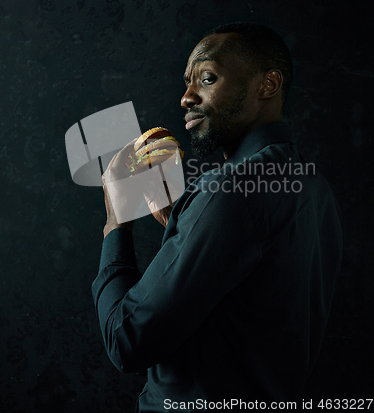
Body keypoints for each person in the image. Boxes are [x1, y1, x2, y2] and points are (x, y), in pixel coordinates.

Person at [92, 22, 343, 411]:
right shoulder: (314, 188)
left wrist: (115, 222)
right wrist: (182, 221)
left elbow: (126, 341)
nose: (185, 98)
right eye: (187, 83)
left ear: (268, 84)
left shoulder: (226, 191)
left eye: (207, 79)